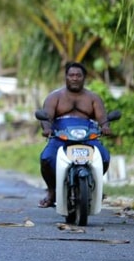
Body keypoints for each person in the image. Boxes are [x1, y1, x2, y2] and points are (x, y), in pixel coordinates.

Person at [37, 61, 112, 208]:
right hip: (61, 136)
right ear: (66, 77)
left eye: (78, 75)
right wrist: (47, 129)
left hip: (87, 136)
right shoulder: (55, 97)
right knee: (46, 158)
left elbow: (102, 119)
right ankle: (52, 192)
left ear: (84, 78)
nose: (75, 78)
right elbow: (46, 116)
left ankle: (93, 185)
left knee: (104, 157)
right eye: (71, 75)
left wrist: (105, 127)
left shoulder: (93, 98)